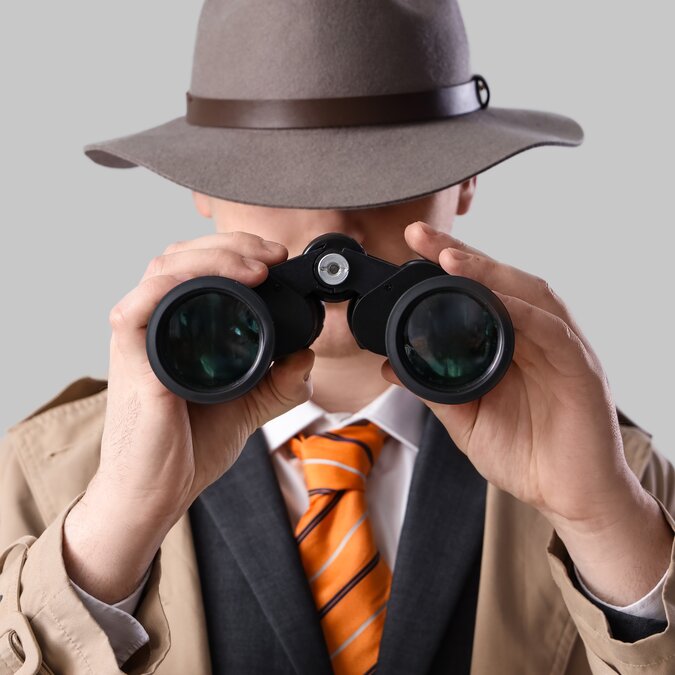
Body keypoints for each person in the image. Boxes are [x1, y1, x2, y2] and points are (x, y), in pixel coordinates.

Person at [1, 1, 674, 674]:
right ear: (198, 184)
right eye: (275, 178)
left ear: (467, 179)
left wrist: (603, 526)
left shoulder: (616, 475)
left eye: (389, 177)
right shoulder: (38, 480)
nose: (333, 229)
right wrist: (112, 533)